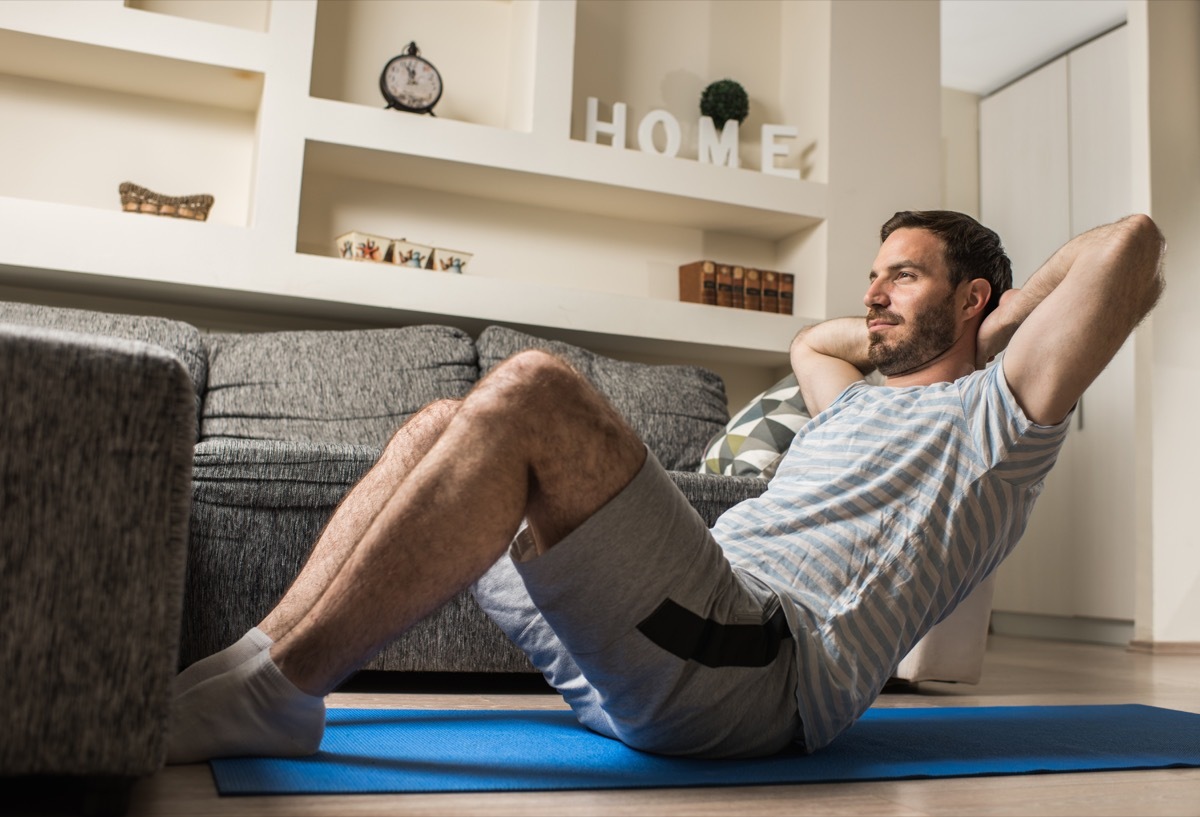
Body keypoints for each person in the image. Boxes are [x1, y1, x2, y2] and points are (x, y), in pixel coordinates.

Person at [167, 210, 1165, 763]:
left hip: (753, 672)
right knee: (436, 424)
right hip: (654, 645)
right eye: (874, 274)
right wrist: (902, 326)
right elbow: (809, 339)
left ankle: (279, 687)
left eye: (901, 276)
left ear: (973, 297)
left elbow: (1133, 245)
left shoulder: (1001, 418)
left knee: (535, 390)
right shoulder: (857, 402)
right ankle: (260, 664)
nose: (871, 294)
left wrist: (1003, 323)